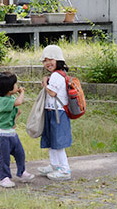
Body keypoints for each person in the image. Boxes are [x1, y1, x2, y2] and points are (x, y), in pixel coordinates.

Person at [0, 72, 34, 188]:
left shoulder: (10, 97)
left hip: (12, 134)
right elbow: (19, 102)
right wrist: (22, 92)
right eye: (15, 84)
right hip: (3, 136)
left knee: (20, 153)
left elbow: (15, 110)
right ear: (9, 88)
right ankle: (3, 178)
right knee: (4, 158)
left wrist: (15, 118)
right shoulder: (4, 100)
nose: (17, 86)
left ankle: (22, 172)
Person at [38, 45, 73, 181]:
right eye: (45, 60)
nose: (47, 63)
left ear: (58, 60)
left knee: (58, 143)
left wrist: (45, 83)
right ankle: (54, 165)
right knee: (52, 141)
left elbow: (52, 93)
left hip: (58, 113)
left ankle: (64, 170)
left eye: (50, 59)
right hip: (53, 112)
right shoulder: (56, 75)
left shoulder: (57, 76)